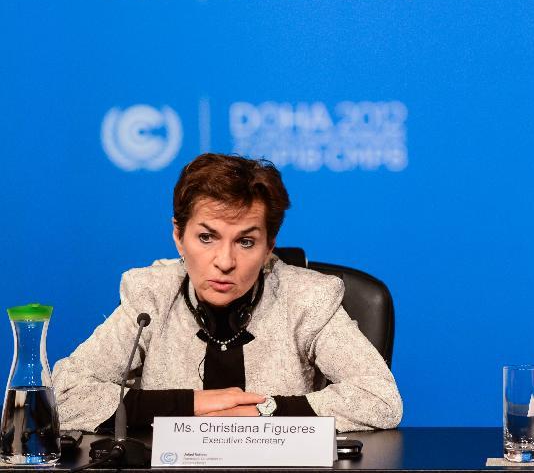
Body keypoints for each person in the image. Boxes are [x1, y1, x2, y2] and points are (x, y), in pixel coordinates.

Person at [53, 153, 402, 432]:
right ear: (178, 236)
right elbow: (64, 395)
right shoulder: (151, 295)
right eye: (207, 237)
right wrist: (194, 404)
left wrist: (263, 411)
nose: (225, 261)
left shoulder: (307, 298)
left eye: (246, 242)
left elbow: (380, 399)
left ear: (269, 248)